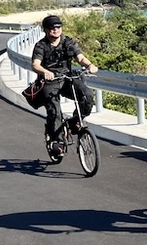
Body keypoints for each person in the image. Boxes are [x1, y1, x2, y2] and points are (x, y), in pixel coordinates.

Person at [31, 15, 99, 154]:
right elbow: (35, 64)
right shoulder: (41, 45)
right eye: (52, 28)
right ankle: (57, 140)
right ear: (45, 30)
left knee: (87, 95)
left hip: (67, 78)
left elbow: (80, 58)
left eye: (58, 27)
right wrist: (45, 72)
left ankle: (74, 121)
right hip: (49, 82)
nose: (55, 30)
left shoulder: (68, 42)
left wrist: (90, 65)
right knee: (54, 111)